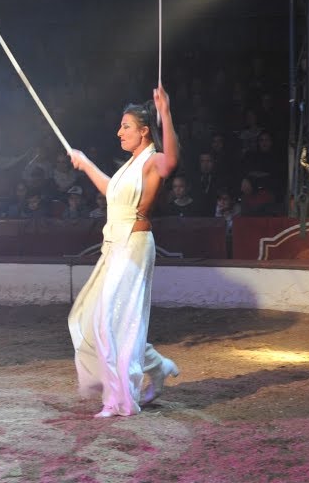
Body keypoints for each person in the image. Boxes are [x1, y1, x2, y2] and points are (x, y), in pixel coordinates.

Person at [65, 85, 180, 418]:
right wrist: (86, 164)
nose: (119, 132)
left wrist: (166, 113)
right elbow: (112, 191)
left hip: (134, 246)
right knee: (97, 317)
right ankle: (158, 366)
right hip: (114, 247)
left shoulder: (151, 160)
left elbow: (171, 161)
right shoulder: (129, 166)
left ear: (144, 131)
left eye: (126, 126)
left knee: (109, 322)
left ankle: (118, 400)